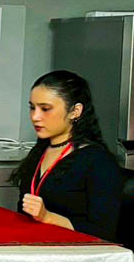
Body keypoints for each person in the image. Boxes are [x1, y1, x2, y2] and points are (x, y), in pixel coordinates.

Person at [11, 70, 122, 241]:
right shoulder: (39, 152)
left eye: (45, 109)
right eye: (32, 108)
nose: (35, 117)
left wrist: (48, 217)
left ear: (75, 111)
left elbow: (103, 232)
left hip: (74, 251)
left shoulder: (98, 161)